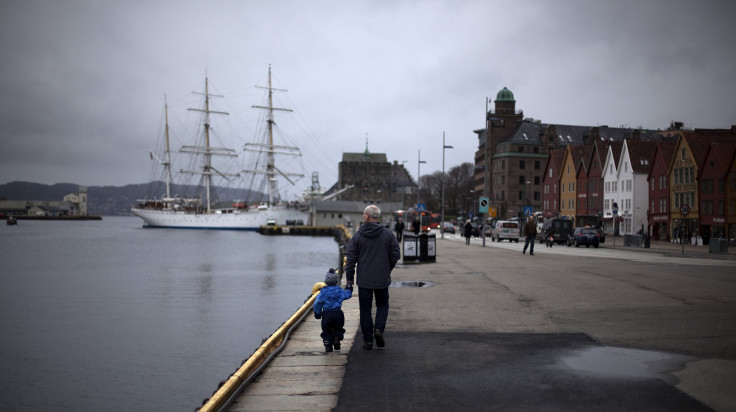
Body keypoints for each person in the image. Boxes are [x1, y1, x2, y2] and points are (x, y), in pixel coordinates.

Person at [345, 205, 401, 350]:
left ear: (368, 216)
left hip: (364, 280)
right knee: (382, 305)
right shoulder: (388, 234)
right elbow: (396, 254)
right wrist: (387, 268)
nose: (363, 216)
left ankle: (368, 340)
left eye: (364, 214)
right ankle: (379, 330)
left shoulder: (358, 236)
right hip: (382, 279)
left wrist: (349, 278)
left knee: (365, 309)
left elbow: (351, 259)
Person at [313, 268, 353, 352]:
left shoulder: (323, 292)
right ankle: (337, 338)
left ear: (326, 282)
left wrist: (317, 313)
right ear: (336, 281)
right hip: (338, 313)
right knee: (338, 328)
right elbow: (347, 295)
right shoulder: (339, 291)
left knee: (326, 329)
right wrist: (349, 287)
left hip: (326, 314)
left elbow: (317, 303)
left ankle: (328, 343)